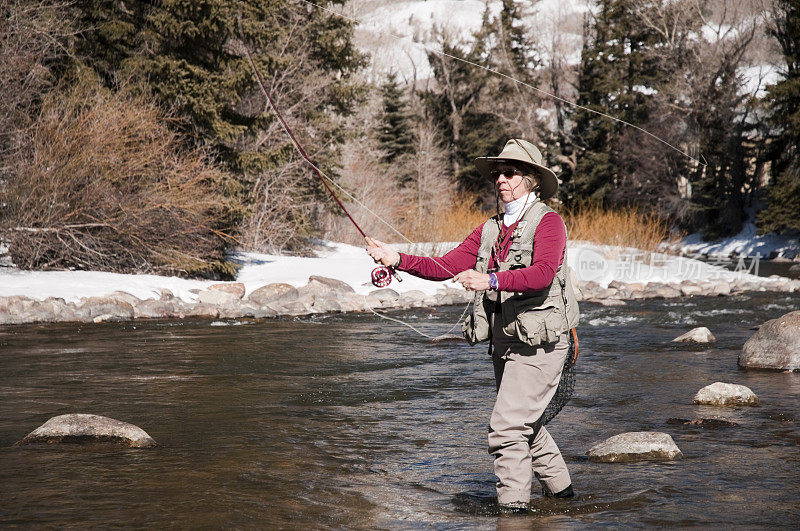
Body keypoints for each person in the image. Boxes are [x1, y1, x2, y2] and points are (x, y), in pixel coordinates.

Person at [366, 138, 580, 513]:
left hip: (542, 345)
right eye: (497, 173)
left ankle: (514, 515)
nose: (500, 179)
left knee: (507, 430)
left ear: (530, 179)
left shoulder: (550, 222)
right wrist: (395, 257)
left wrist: (492, 280)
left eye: (509, 172)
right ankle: (565, 498)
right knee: (523, 425)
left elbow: (543, 274)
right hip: (505, 343)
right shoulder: (490, 229)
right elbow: (444, 266)